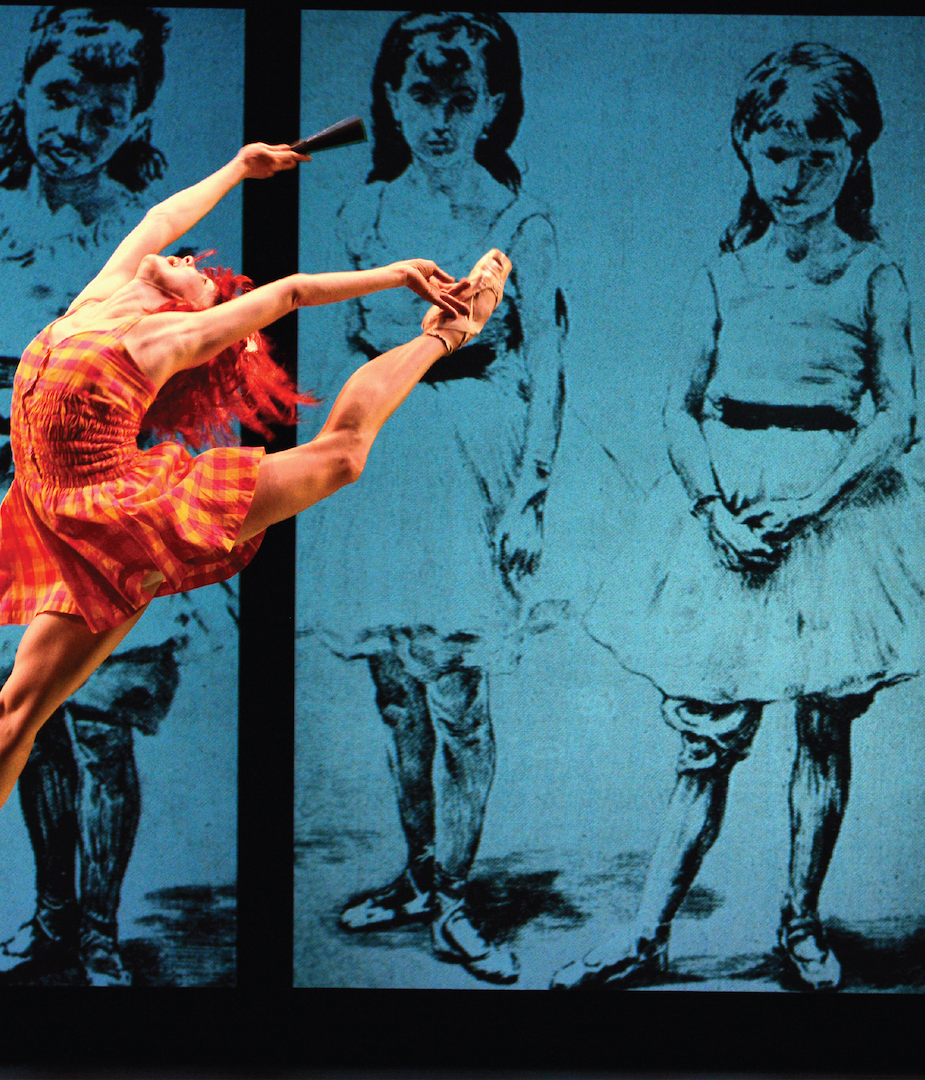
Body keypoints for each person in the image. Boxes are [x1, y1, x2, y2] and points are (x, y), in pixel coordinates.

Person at [0, 135, 514, 975]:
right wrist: (239, 169)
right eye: (190, 260)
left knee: (341, 457)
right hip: (69, 524)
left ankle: (447, 335)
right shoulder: (105, 293)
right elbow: (160, 218)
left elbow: (292, 291)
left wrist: (396, 275)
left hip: (134, 516)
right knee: (12, 717)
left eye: (201, 275)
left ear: (196, 315)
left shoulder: (162, 342)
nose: (188, 259)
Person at [566, 43, 925, 992]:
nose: (796, 178)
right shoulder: (722, 275)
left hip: (835, 514)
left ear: (855, 155)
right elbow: (678, 408)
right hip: (729, 511)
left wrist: (813, 503)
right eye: (776, 154)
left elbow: (898, 414)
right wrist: (714, 513)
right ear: (745, 147)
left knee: (824, 726)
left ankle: (799, 923)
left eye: (820, 157)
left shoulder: (874, 276)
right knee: (707, 737)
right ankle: (646, 934)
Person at [0, 5, 232, 986]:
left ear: (138, 118)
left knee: (100, 723)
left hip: (105, 506)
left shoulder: (157, 248)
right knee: (35, 722)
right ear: (24, 92)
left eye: (105, 109)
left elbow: (186, 391)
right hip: (12, 505)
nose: (74, 124)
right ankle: (50, 917)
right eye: (59, 95)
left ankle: (99, 930)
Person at [305, 11, 564, 984]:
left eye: (462, 98)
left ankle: (455, 896)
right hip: (383, 458)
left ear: (495, 105)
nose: (440, 118)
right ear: (392, 98)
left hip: (473, 458)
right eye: (422, 95)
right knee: (395, 688)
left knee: (455, 688)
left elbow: (552, 368)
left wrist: (530, 497)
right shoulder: (365, 213)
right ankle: (418, 874)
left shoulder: (519, 224)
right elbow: (349, 347)